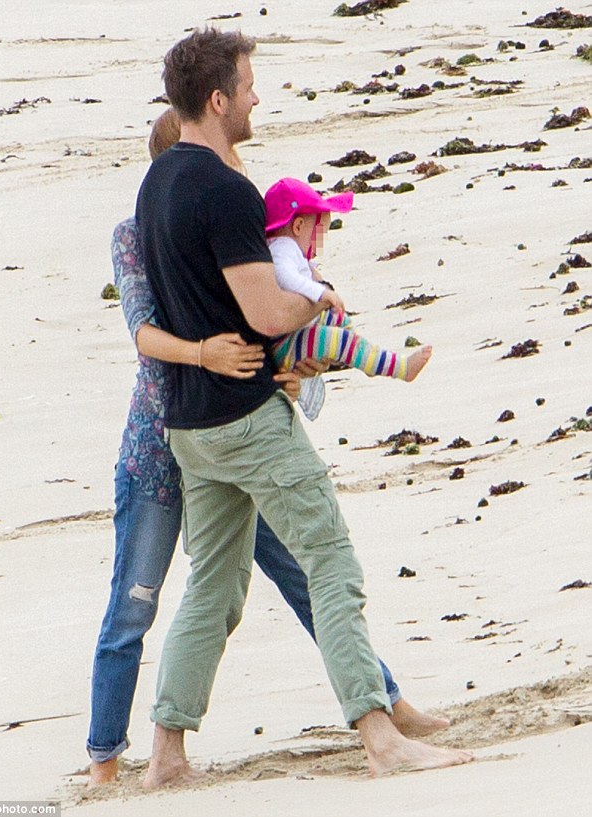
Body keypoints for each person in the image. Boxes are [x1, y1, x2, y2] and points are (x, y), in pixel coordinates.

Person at [135, 28, 471, 787]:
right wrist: (321, 304)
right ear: (218, 99)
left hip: (191, 426)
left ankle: (166, 755)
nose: (257, 97)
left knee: (213, 586)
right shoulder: (225, 190)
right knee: (331, 563)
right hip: (247, 418)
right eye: (248, 85)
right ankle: (379, 733)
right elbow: (262, 310)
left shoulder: (155, 184)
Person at [264, 177, 433, 380]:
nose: (320, 244)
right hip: (284, 343)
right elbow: (285, 277)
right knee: (338, 338)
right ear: (298, 226)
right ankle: (398, 368)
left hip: (294, 331)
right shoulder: (283, 247)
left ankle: (359, 354)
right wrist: (321, 292)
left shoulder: (288, 249)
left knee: (339, 320)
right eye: (319, 235)